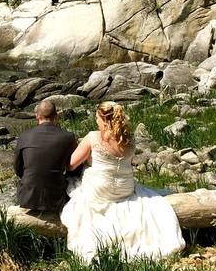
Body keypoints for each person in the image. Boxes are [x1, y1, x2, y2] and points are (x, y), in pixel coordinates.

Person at [60, 101, 185, 262]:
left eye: (97, 117)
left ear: (104, 120)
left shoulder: (93, 137)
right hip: (125, 188)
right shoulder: (129, 139)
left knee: (75, 183)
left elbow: (71, 165)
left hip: (100, 190)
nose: (96, 121)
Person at [13, 100, 78, 213]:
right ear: (56, 116)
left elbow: (17, 168)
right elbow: (75, 167)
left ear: (37, 116)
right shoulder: (68, 137)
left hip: (27, 197)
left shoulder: (24, 136)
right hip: (56, 197)